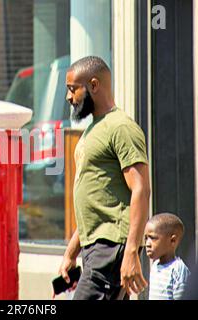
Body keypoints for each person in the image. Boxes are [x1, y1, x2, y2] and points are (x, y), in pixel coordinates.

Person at [59, 56, 150, 300]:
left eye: (72, 89)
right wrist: (71, 252)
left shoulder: (121, 127)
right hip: (97, 246)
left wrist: (131, 250)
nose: (69, 97)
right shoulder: (94, 128)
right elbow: (98, 201)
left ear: (94, 85)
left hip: (110, 245)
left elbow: (141, 189)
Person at [145, 213, 190, 300]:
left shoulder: (178, 270)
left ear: (173, 240)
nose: (147, 244)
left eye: (153, 238)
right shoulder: (155, 266)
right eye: (146, 238)